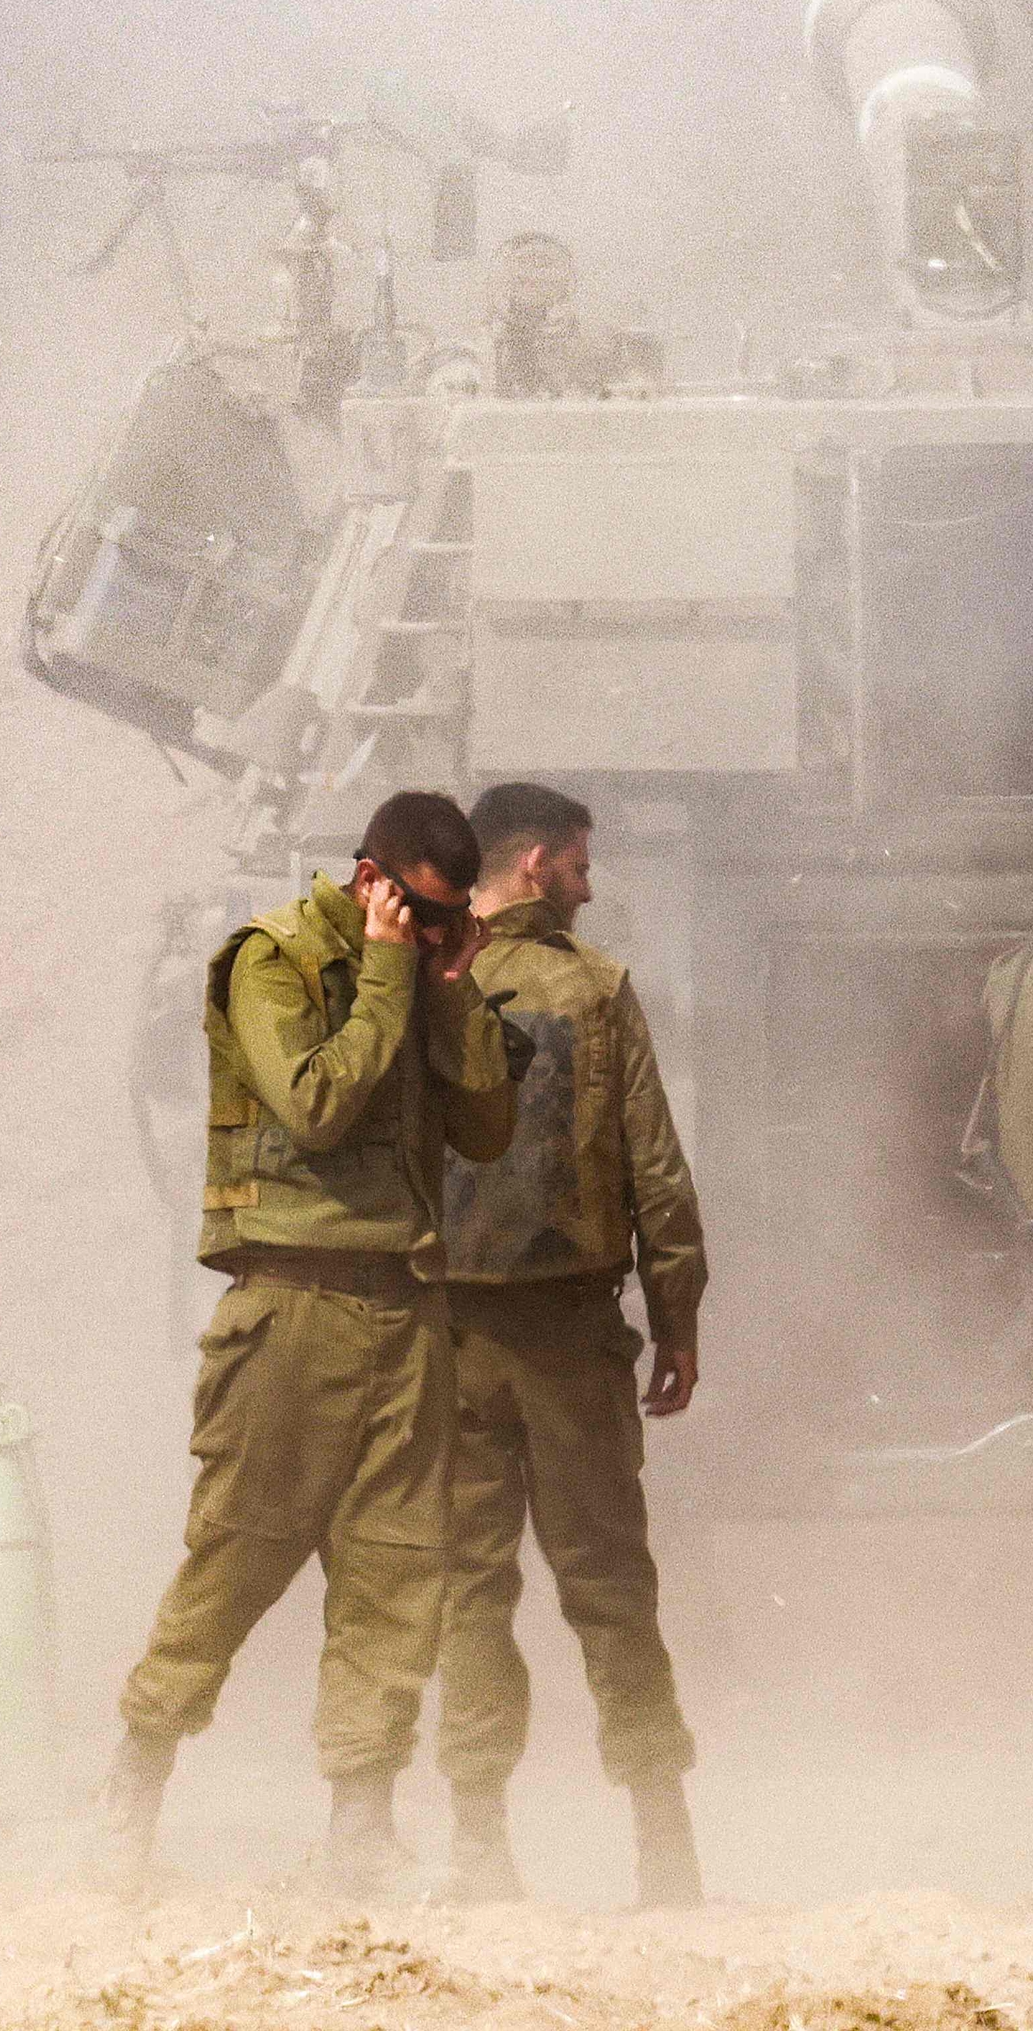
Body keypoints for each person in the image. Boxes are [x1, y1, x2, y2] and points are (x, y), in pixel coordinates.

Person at [91, 791, 529, 1894]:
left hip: (407, 1310)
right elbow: (318, 1106)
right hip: (293, 1309)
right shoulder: (271, 962)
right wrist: (390, 975)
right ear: (371, 881)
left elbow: (484, 1128)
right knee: (237, 1558)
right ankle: (129, 1801)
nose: (435, 936)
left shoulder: (425, 971)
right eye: (422, 916)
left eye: (450, 922)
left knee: (398, 1579)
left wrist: (450, 989)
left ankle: (360, 1836)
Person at [432, 781, 709, 1907]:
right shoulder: (596, 992)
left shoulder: (413, 988)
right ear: (539, 863)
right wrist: (677, 1317)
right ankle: (662, 1842)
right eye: (583, 869)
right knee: (609, 1587)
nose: (589, 892)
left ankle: (477, 1845)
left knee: (464, 1592)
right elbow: (656, 1174)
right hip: (570, 1341)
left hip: (446, 1347)